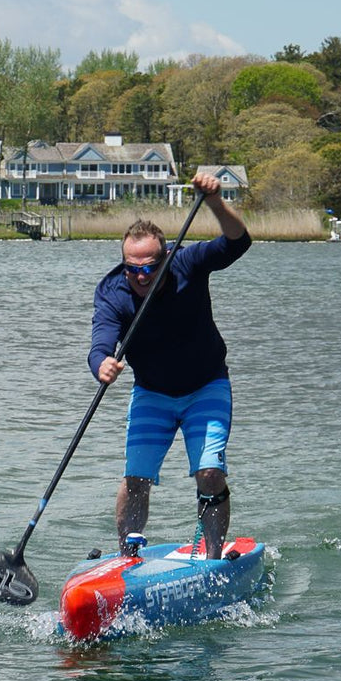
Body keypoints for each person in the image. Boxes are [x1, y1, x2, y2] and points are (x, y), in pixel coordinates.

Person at [90, 171, 250, 559]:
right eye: (133, 268)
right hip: (152, 394)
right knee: (136, 477)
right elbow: (100, 341)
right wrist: (102, 365)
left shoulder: (188, 263)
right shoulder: (112, 292)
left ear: (164, 256)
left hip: (206, 387)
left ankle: (213, 562)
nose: (142, 275)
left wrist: (213, 201)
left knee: (209, 472)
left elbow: (238, 242)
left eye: (150, 266)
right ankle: (126, 559)